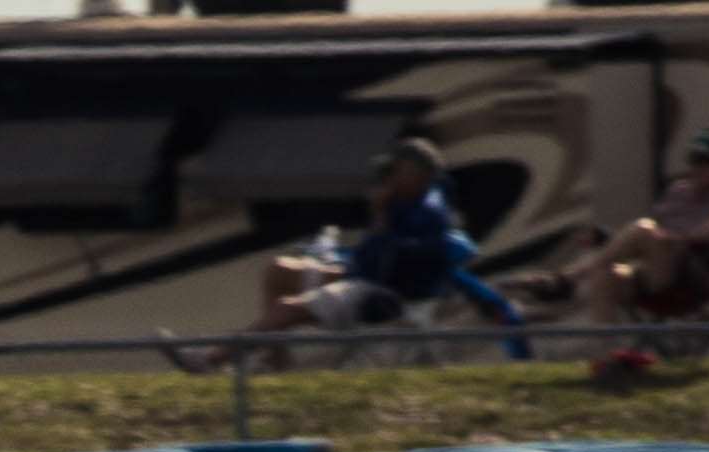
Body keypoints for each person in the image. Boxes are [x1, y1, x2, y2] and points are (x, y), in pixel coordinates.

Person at [170, 137, 520, 366]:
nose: (388, 178)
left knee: (287, 308)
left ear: (415, 175)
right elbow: (375, 253)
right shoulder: (408, 200)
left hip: (382, 292)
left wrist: (380, 215)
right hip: (361, 272)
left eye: (396, 171)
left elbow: (391, 261)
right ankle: (277, 362)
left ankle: (209, 359)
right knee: (280, 271)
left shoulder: (426, 213)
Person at [524, 127, 709, 328]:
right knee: (606, 275)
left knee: (643, 229)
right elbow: (647, 237)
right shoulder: (679, 191)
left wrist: (686, 236)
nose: (699, 167)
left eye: (708, 161)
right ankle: (608, 361)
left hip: (695, 276)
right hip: (657, 270)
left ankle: (567, 279)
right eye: (696, 160)